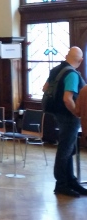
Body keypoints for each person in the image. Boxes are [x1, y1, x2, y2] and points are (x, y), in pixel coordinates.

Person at [43, 46, 87, 197]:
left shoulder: (56, 70)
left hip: (57, 114)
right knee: (65, 149)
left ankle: (71, 181)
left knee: (68, 148)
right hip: (68, 116)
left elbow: (45, 88)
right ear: (80, 60)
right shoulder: (72, 74)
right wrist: (77, 114)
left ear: (67, 56)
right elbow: (67, 99)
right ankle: (61, 184)